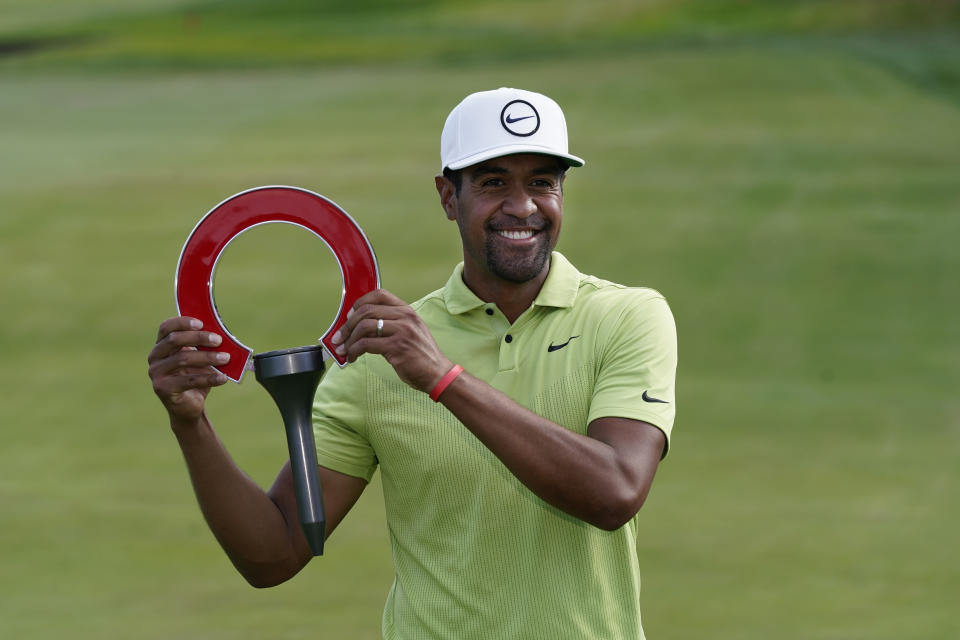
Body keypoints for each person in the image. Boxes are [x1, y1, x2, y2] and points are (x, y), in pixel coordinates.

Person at [149, 87, 677, 639]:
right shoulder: (379, 354)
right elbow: (275, 554)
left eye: (542, 182)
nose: (522, 206)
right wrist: (191, 423)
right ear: (448, 196)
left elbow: (615, 491)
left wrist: (441, 378)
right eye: (494, 182)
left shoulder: (628, 317)